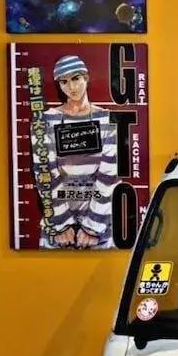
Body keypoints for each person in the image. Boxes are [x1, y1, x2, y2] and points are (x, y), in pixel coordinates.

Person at [33, 54, 118, 249]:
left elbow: (109, 174)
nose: (71, 87)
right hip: (57, 230)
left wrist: (92, 227)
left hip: (100, 229)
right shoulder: (46, 120)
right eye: (64, 81)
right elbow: (44, 172)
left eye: (76, 78)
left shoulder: (107, 118)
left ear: (86, 77)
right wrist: (62, 224)